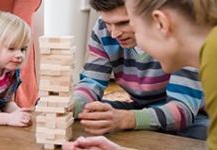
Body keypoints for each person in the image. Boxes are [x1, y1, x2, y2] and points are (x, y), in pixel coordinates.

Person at [64, 0, 217, 149]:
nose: (114, 34)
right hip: (139, 106)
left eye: (129, 23)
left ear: (160, 22)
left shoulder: (205, 54)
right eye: (108, 24)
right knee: (93, 114)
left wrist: (126, 120)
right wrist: (69, 105)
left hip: (192, 114)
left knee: (199, 131)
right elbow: (91, 81)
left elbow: (181, 109)